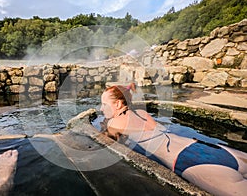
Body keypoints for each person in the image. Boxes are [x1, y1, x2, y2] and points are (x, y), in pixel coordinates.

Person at [98, 83, 247, 196]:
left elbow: (103, 142)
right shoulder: (142, 113)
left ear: (117, 104)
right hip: (203, 147)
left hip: (187, 161)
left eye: (104, 105)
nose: (101, 109)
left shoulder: (114, 124)